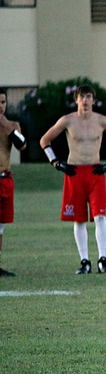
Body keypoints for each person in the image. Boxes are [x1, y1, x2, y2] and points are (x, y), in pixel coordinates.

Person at [40, 85, 106, 274]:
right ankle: (84, 260)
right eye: (82, 97)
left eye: (88, 97)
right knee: (78, 219)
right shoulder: (68, 120)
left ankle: (102, 259)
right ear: (76, 99)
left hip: (95, 173)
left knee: (100, 215)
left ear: (94, 100)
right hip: (74, 172)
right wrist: (55, 162)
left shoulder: (102, 121)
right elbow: (44, 140)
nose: (85, 100)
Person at [0, 87, 27, 277]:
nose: (0, 106)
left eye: (2, 102)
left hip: (4, 179)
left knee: (1, 226)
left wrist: (7, 127)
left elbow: (22, 145)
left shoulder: (12, 126)